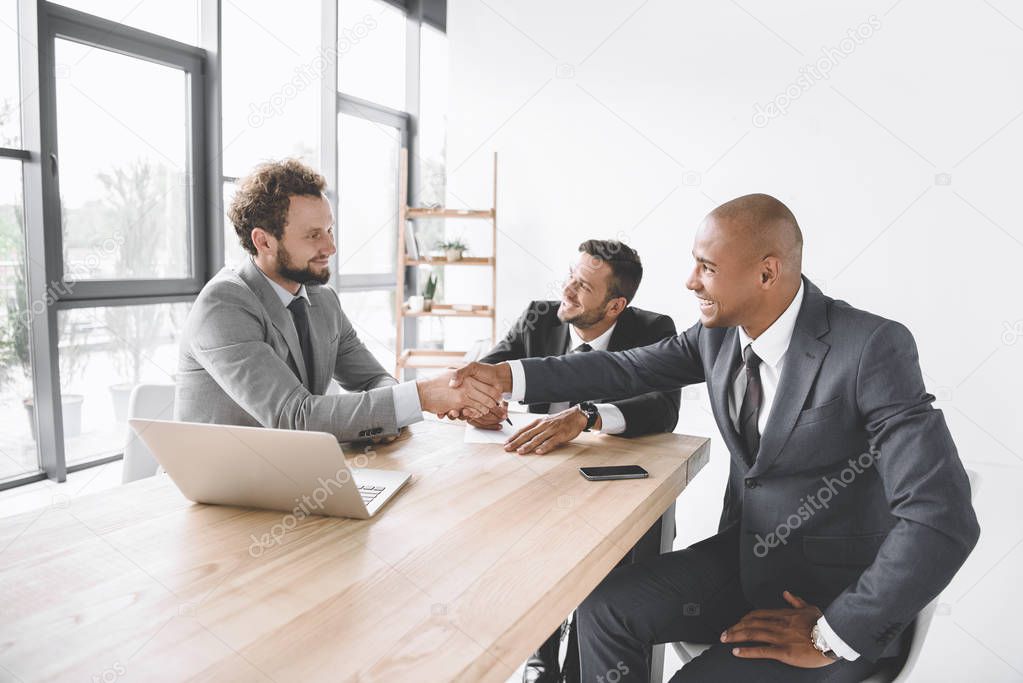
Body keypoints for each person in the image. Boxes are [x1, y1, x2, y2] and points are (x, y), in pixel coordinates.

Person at [448, 193, 980, 681]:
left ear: (767, 273)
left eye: (707, 266)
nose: (690, 281)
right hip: (747, 563)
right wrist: (508, 376)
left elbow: (942, 517)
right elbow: (624, 370)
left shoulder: (870, 347)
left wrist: (832, 633)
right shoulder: (717, 337)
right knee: (602, 610)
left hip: (829, 601)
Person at [175, 159, 501, 442]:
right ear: (263, 241)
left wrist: (444, 399)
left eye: (329, 230)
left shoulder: (322, 301)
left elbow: (374, 380)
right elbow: (295, 417)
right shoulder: (225, 305)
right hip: (213, 495)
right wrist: (424, 395)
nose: (330, 248)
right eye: (313, 235)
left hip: (287, 478)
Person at [474, 239, 680, 683]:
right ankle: (539, 657)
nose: (566, 290)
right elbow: (490, 367)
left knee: (615, 580)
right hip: (536, 486)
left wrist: (588, 417)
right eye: (570, 274)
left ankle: (588, 663)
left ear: (615, 306)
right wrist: (484, 399)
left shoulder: (653, 328)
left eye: (583, 285)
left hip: (610, 491)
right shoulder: (539, 314)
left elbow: (663, 408)